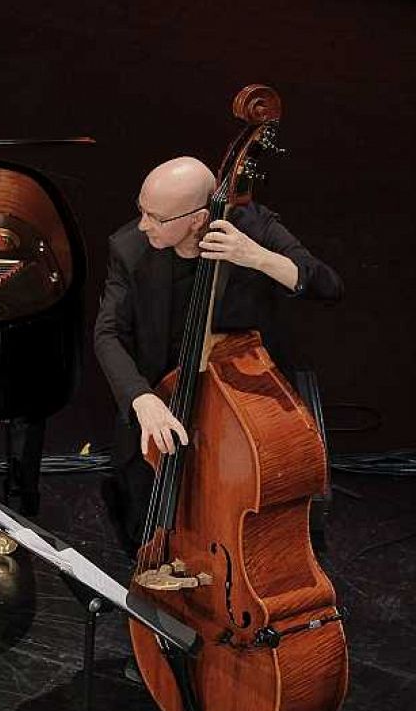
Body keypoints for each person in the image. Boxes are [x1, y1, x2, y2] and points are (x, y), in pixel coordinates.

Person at [94, 156, 343, 549]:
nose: (143, 225)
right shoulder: (130, 249)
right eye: (141, 210)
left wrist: (256, 256)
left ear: (197, 218)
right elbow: (107, 334)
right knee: (140, 522)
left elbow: (328, 286)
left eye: (156, 217)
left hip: (243, 401)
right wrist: (141, 398)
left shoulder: (253, 228)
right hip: (164, 395)